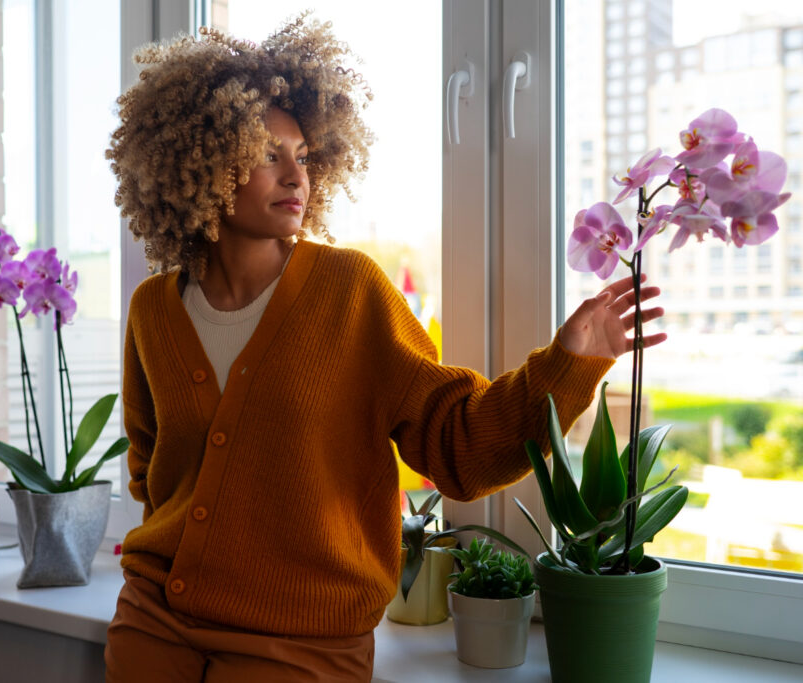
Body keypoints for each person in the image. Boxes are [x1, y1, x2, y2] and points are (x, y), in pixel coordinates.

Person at [103, 14, 664, 682]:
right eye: (269, 155)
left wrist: (569, 363)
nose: (296, 176)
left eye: (304, 155)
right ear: (201, 162)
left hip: (301, 641)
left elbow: (459, 444)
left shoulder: (351, 291)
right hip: (153, 624)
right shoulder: (153, 309)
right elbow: (151, 470)